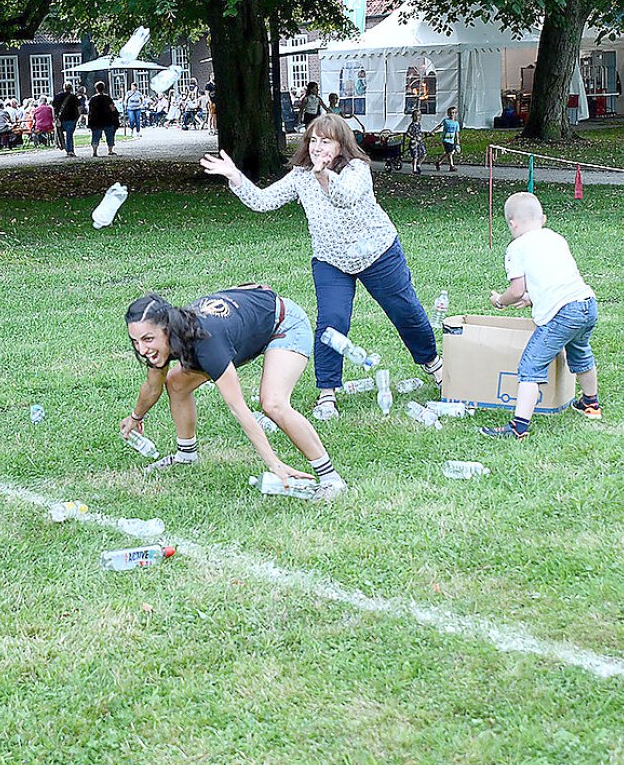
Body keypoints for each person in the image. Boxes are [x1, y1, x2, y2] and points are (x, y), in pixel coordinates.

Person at [200, 114, 442, 420]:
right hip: (331, 260)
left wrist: (324, 175)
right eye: (313, 140)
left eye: (325, 140)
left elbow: (346, 198)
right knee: (332, 321)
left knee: (404, 311)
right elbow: (263, 201)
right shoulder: (301, 174)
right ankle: (327, 392)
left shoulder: (357, 169)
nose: (317, 147)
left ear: (341, 145)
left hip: (377, 252)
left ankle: (435, 366)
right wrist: (235, 176)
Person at [120, 287, 347, 498]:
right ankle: (186, 455)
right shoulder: (166, 340)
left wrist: (273, 462)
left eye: (147, 339)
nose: (142, 349)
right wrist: (135, 418)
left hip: (284, 324)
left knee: (273, 403)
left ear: (168, 329)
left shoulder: (205, 342)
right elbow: (153, 386)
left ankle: (331, 478)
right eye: (135, 341)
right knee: (176, 382)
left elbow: (238, 408)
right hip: (250, 326)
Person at [480, 192, 602, 439]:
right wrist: (532, 298)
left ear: (512, 223)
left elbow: (515, 291)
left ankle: (518, 427)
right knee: (581, 352)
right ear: (542, 218)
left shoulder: (516, 247)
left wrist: (500, 301)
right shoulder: (555, 238)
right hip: (586, 304)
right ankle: (591, 404)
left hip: (562, 315)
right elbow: (555, 279)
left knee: (530, 367)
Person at [87, 82, 118, 157]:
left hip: (96, 120)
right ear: (103, 88)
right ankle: (110, 150)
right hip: (107, 119)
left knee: (95, 135)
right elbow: (112, 108)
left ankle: (95, 151)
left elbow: (90, 111)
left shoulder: (93, 99)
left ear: (96, 89)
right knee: (110, 135)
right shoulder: (107, 98)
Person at [52, 81, 82, 156]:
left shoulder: (57, 96)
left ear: (64, 88)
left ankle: (63, 146)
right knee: (69, 134)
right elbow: (79, 109)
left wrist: (55, 118)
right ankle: (70, 150)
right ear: (71, 88)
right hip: (71, 118)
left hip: (60, 118)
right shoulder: (73, 97)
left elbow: (53, 108)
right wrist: (77, 117)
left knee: (60, 133)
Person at [434, 105, 461, 171]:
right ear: (448, 114)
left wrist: (457, 140)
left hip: (451, 140)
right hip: (445, 140)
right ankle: (452, 166)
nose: (452, 114)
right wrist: (433, 131)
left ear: (455, 113)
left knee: (449, 152)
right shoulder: (446, 121)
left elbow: (456, 132)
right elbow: (439, 126)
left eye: (453, 113)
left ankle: (439, 162)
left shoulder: (456, 123)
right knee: (450, 153)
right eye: (450, 113)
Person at [404, 100, 427, 175]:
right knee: (415, 155)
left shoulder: (419, 124)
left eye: (419, 115)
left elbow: (420, 132)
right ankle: (414, 169)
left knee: (424, 154)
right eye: (416, 115)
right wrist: (413, 137)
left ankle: (418, 164)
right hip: (414, 142)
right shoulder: (412, 125)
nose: (417, 117)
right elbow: (407, 133)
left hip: (420, 142)